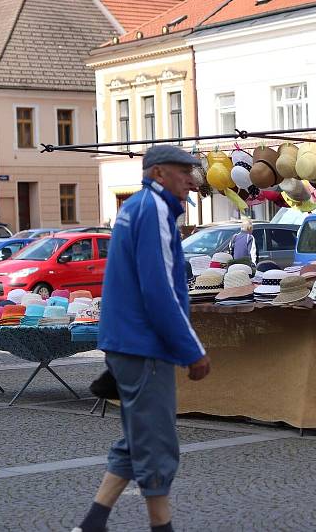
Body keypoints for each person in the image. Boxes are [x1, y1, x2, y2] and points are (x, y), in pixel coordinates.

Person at [74, 145, 210, 532]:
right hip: (144, 344)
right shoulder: (154, 211)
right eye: (183, 170)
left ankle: (92, 523)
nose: (190, 178)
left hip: (126, 340)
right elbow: (161, 290)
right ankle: (161, 527)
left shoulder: (135, 208)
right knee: (157, 442)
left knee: (137, 437)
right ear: (158, 174)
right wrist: (192, 351)